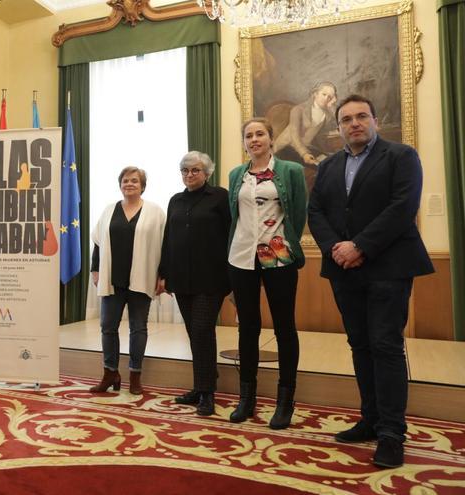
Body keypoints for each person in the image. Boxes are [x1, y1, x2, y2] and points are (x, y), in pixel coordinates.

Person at [308, 95, 433, 469]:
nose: (354, 123)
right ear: (339, 127)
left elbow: (402, 207)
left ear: (375, 120)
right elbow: (315, 211)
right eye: (346, 119)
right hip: (344, 270)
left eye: (362, 116)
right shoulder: (329, 165)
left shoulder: (401, 156)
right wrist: (335, 248)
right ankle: (370, 420)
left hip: (388, 267)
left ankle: (393, 433)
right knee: (359, 345)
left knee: (385, 346)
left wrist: (361, 245)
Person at [227, 118, 307, 429]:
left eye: (260, 133)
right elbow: (236, 216)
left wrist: (283, 241)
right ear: (244, 142)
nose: (255, 139)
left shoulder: (291, 171)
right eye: (249, 135)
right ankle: (247, 398)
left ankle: (285, 401)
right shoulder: (237, 174)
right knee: (247, 327)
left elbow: (298, 214)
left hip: (278, 255)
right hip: (241, 256)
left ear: (271, 139)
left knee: (285, 327)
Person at [157, 152, 230, 415]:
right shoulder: (175, 200)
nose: (190, 175)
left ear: (207, 172)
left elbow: (231, 236)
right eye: (185, 170)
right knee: (194, 333)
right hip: (181, 278)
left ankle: (208, 392)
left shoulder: (220, 197)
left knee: (202, 330)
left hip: (211, 278)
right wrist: (163, 274)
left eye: (195, 170)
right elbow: (168, 239)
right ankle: (202, 385)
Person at [90, 167, 165, 395]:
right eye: (125, 180)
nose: (129, 184)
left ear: (142, 185)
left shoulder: (155, 212)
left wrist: (163, 275)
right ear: (120, 184)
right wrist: (95, 270)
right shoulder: (109, 210)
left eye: (134, 180)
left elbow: (164, 246)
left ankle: (135, 376)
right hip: (113, 279)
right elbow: (98, 242)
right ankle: (110, 372)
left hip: (142, 278)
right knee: (107, 328)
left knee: (138, 328)